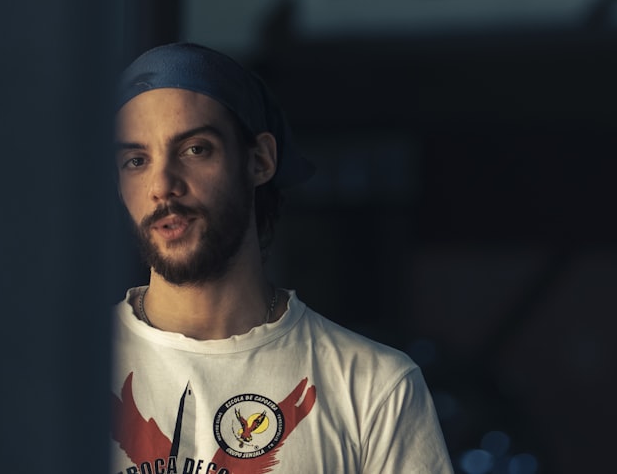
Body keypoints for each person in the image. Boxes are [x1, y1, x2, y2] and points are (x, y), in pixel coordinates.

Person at [110, 43, 453, 474]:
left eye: (195, 149)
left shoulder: (372, 388)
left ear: (260, 159)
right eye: (136, 160)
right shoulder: (64, 378)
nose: (162, 184)